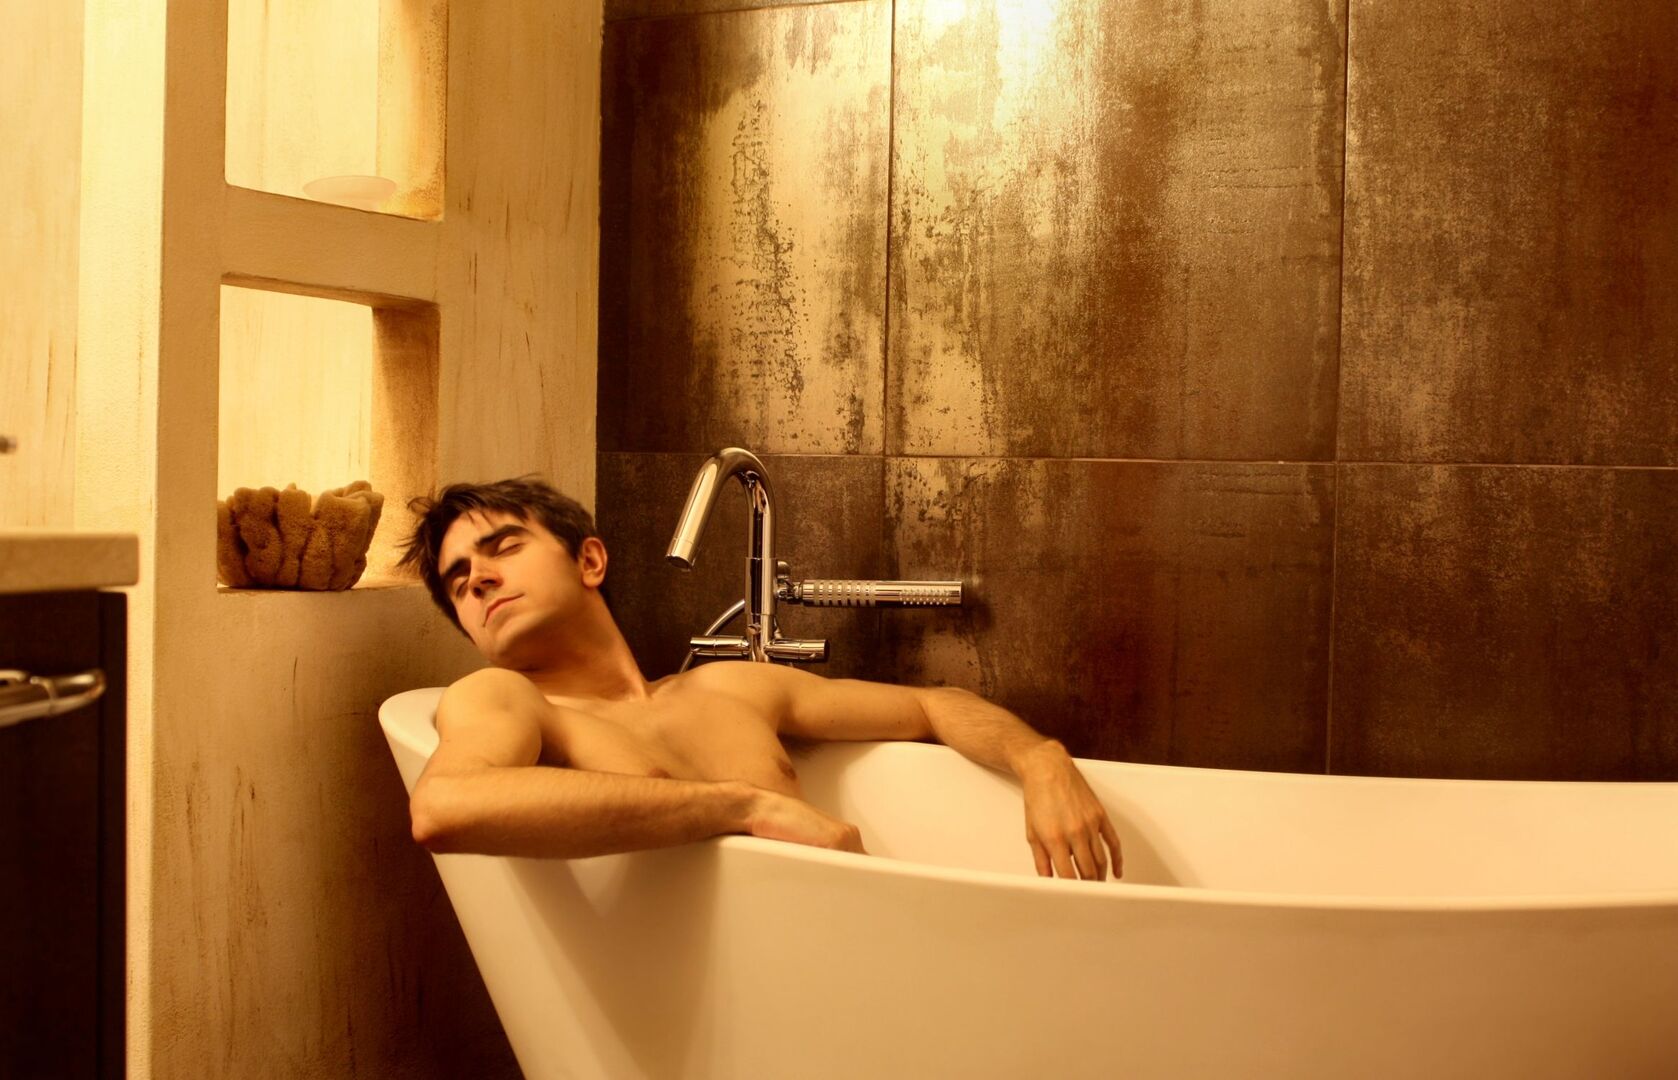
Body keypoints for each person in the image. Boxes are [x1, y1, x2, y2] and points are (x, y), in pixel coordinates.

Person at [397, 477, 1123, 881]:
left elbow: (933, 707)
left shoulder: (729, 688)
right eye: (458, 582)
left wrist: (1040, 758)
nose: (479, 578)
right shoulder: (503, 699)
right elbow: (445, 808)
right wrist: (744, 807)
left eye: (503, 548)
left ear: (589, 561)